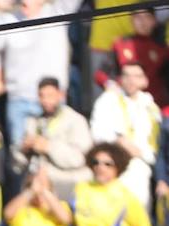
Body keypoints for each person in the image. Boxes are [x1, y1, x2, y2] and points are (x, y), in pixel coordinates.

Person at [0, 0, 81, 152]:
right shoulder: (9, 19)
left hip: (52, 101)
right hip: (19, 102)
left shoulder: (57, 12)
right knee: (19, 157)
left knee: (53, 154)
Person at [90, 61, 160, 209]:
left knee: (138, 218)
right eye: (126, 75)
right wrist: (117, 142)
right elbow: (97, 132)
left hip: (140, 167)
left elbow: (157, 141)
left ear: (144, 81)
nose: (131, 80)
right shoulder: (108, 100)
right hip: (113, 166)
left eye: (136, 76)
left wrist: (141, 152)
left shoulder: (151, 106)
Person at [11, 78, 92, 202]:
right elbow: (17, 166)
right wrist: (23, 150)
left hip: (66, 187)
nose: (45, 100)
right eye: (41, 96)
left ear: (61, 95)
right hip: (38, 189)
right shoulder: (33, 122)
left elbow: (79, 159)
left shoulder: (76, 120)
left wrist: (48, 146)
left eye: (50, 95)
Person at [97, 10, 169, 109]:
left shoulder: (163, 50)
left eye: (147, 17)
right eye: (138, 17)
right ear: (131, 20)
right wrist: (111, 86)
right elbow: (100, 74)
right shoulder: (120, 44)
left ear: (154, 21)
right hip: (125, 106)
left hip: (155, 108)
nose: (142, 22)